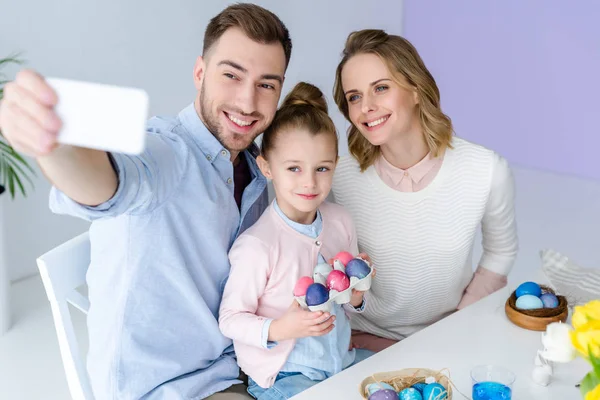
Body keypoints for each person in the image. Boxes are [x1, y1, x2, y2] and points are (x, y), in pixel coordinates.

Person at [0, 4, 293, 399]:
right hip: (168, 388)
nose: (247, 101)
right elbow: (113, 182)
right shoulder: (169, 152)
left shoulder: (259, 173)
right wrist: (52, 146)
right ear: (200, 73)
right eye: (231, 75)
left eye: (266, 84)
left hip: (242, 364)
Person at [331, 30, 518, 352]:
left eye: (381, 88)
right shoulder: (336, 177)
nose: (367, 107)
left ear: (416, 90)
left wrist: (461, 319)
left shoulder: (486, 170)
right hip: (360, 339)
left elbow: (501, 251)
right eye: (354, 97)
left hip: (450, 337)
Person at [219, 82, 374, 399]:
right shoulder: (258, 245)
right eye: (294, 168)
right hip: (286, 377)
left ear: (335, 167)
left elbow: (350, 303)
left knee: (406, 373)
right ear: (266, 167)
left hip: (342, 363)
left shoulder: (341, 221)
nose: (309, 182)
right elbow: (230, 320)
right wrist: (280, 329)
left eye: (321, 168)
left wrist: (358, 293)